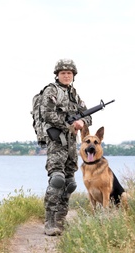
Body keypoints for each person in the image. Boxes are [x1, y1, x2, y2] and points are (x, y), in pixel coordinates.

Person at [42, 59, 92, 236]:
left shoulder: (74, 94)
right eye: (63, 73)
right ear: (57, 74)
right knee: (57, 180)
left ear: (73, 75)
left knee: (70, 183)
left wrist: (81, 121)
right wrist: (68, 124)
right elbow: (47, 114)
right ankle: (49, 222)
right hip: (57, 142)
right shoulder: (51, 90)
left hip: (72, 143)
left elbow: (88, 117)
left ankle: (61, 221)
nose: (66, 75)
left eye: (69, 73)